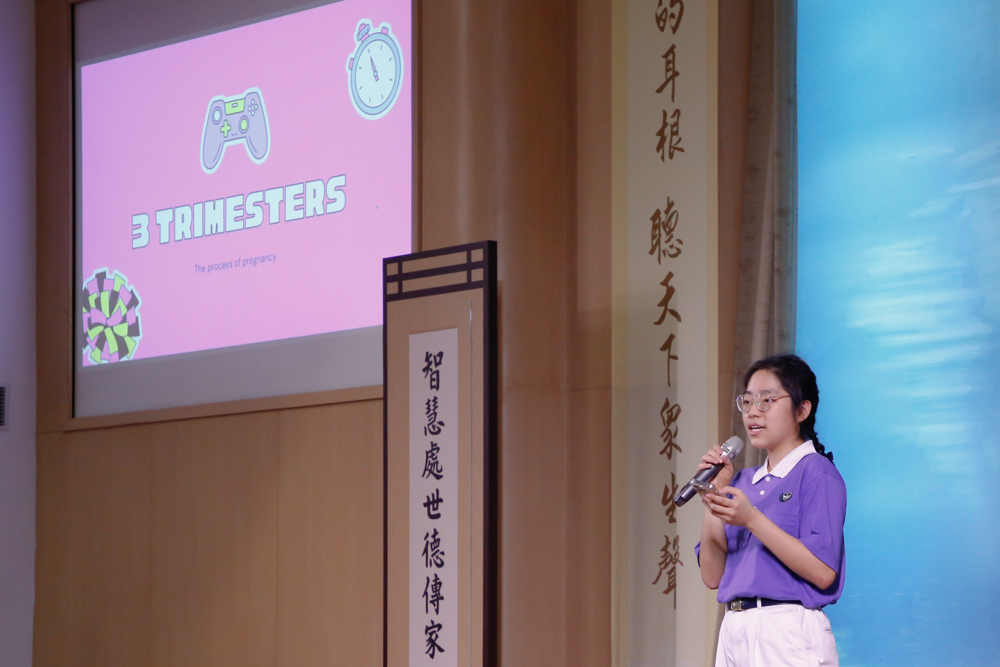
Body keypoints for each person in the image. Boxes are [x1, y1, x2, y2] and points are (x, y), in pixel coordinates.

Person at [695, 354, 846, 667]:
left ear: (802, 410)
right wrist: (714, 496)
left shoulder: (817, 472)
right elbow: (712, 576)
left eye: (767, 400)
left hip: (786, 629)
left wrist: (752, 518)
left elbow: (823, 572)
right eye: (747, 400)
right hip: (734, 627)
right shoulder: (742, 480)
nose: (753, 411)